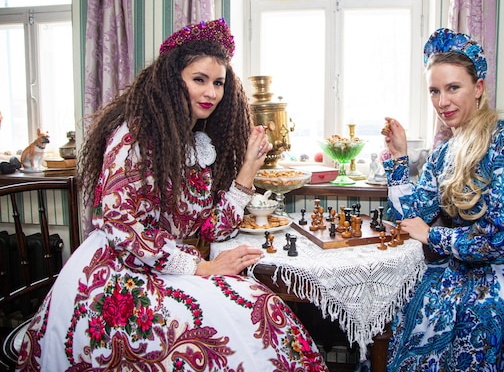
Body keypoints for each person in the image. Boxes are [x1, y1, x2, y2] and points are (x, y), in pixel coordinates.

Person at [16, 18, 328, 371]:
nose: (211, 92)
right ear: (171, 79)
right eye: (199, 79)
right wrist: (203, 267)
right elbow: (123, 226)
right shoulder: (134, 136)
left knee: (262, 309)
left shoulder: (198, 145)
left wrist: (247, 172)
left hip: (167, 268)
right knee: (245, 314)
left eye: (219, 83)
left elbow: (210, 229)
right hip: (116, 275)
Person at [381, 28, 504, 371]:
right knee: (417, 304)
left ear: (478, 88)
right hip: (462, 265)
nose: (442, 102)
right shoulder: (442, 155)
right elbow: (410, 219)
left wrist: (433, 235)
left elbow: (501, 238)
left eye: (453, 88)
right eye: (435, 91)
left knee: (474, 313)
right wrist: (399, 159)